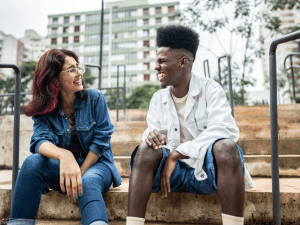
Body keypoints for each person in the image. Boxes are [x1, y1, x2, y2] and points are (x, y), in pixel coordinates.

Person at [126, 25, 254, 225]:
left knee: (227, 147)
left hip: (207, 174)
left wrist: (177, 154)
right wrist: (151, 136)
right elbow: (155, 132)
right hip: (170, 177)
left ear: (183, 61)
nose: (156, 67)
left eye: (162, 61)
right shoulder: (158, 99)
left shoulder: (210, 89)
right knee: (144, 149)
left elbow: (225, 129)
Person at [7, 49, 122, 225]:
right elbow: (40, 141)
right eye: (71, 70)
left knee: (87, 181)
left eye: (78, 67)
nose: (80, 74)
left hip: (97, 165)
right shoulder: (45, 108)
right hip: (63, 170)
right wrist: (64, 155)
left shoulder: (95, 98)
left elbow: (101, 141)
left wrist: (78, 174)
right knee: (32, 162)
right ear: (54, 80)